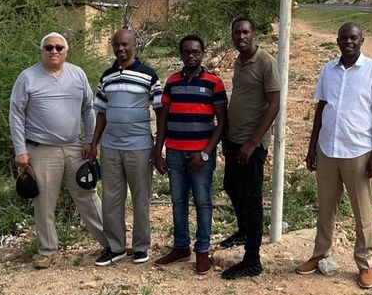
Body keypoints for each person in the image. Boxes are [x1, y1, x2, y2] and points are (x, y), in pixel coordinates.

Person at [296, 22, 372, 289]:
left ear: (362, 40)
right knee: (325, 208)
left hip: (359, 151)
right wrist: (312, 147)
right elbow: (321, 109)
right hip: (328, 149)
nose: (348, 42)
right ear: (337, 41)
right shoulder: (328, 70)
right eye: (343, 38)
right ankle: (320, 254)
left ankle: (365, 264)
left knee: (363, 211)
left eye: (353, 38)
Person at [9, 32, 108, 269]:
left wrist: (90, 141)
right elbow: (16, 114)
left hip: (75, 148)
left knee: (88, 194)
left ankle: (111, 242)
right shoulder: (27, 77)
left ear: (67, 51)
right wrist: (20, 149)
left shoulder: (78, 74)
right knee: (44, 202)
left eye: (59, 48)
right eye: (49, 47)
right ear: (41, 50)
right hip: (41, 150)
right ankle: (47, 250)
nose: (54, 51)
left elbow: (88, 108)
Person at [153, 35, 227, 275]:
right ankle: (181, 247)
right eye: (186, 52)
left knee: (203, 203)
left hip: (200, 155)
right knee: (178, 202)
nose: (191, 56)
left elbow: (222, 122)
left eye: (195, 51)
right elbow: (163, 117)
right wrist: (158, 150)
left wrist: (205, 154)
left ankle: (202, 251)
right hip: (174, 151)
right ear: (181, 54)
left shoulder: (214, 83)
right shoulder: (172, 82)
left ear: (203, 53)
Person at [90, 28, 163, 266]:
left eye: (125, 44)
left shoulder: (149, 75)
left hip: (140, 147)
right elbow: (101, 112)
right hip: (110, 147)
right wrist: (94, 143)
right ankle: (116, 247)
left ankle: (141, 246)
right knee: (111, 199)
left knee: (141, 199)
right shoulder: (107, 76)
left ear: (135, 45)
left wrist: (157, 146)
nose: (121, 49)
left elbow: (160, 111)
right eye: (116, 45)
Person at [220, 17, 280, 280]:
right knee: (231, 187)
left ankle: (252, 259)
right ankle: (244, 230)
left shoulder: (265, 61)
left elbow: (274, 104)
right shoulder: (239, 61)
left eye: (245, 32)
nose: (240, 36)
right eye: (236, 32)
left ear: (253, 34)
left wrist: (253, 142)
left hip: (251, 144)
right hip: (234, 140)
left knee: (252, 199)